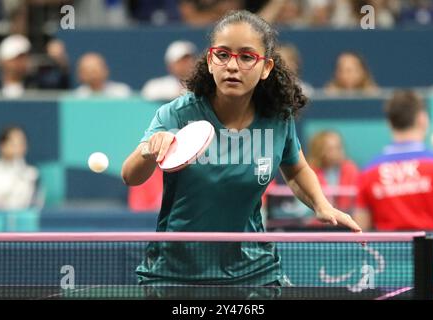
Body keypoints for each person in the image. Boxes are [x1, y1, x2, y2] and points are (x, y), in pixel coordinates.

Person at [122, 10, 361, 286]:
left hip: (253, 270)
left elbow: (295, 169)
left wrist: (322, 205)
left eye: (247, 57)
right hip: (175, 272)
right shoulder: (177, 114)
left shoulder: (277, 118)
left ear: (266, 68)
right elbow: (131, 176)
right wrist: (149, 151)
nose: (232, 66)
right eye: (223, 55)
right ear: (211, 61)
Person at [354, 90, 433, 231]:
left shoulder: (369, 172)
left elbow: (360, 230)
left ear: (389, 123)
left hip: (387, 252)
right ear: (422, 119)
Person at [307, 130, 359, 212]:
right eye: (331, 149)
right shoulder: (308, 173)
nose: (338, 152)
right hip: (318, 220)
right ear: (319, 151)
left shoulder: (351, 169)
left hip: (346, 218)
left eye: (339, 147)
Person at [0, 126, 39, 211]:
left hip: (23, 220)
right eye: (14, 143)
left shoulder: (32, 173)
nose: (18, 148)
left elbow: (35, 204)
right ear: (2, 145)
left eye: (21, 143)